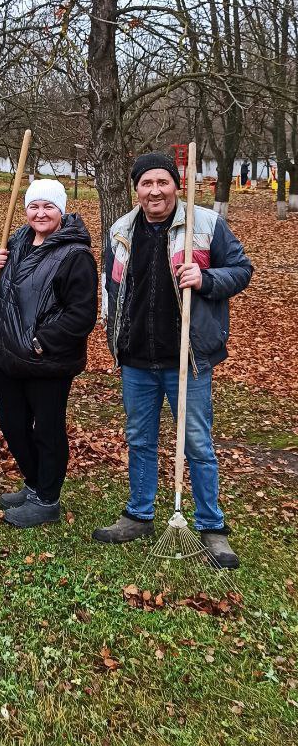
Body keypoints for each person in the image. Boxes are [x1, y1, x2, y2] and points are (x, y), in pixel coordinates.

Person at [93, 151, 253, 568]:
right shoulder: (121, 230)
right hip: (136, 359)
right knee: (139, 439)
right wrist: (114, 333)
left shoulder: (205, 224)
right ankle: (139, 514)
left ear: (176, 186)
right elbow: (115, 287)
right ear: (137, 189)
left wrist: (206, 278)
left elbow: (242, 269)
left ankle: (211, 526)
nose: (155, 190)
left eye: (162, 181)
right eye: (146, 183)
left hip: (188, 358)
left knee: (197, 443)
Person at [0, 178, 98, 529]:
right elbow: (2, 293)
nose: (40, 212)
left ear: (61, 211)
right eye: (34, 206)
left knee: (46, 431)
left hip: (46, 360)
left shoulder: (75, 254)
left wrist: (42, 341)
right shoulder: (15, 241)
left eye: (49, 206)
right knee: (11, 424)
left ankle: (47, 499)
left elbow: (82, 313)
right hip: (8, 356)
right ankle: (34, 484)